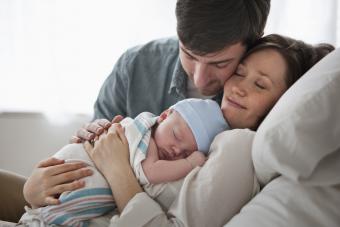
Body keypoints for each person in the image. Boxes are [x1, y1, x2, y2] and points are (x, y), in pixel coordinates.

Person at [0, 0, 271, 222]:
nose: (200, 79)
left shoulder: (263, 101)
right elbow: (91, 162)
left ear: (254, 43)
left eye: (220, 63)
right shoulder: (136, 66)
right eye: (189, 54)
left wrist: (119, 169)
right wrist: (34, 189)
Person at [21, 35, 335, 227]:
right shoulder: (209, 127)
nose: (238, 87)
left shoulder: (237, 146)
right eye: (239, 72)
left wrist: (117, 167)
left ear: (282, 103)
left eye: (260, 85)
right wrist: (37, 190)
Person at [19, 99, 228, 227]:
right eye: (175, 135)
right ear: (164, 116)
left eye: (185, 152)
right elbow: (151, 172)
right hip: (68, 172)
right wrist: (190, 162)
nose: (176, 150)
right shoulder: (145, 135)